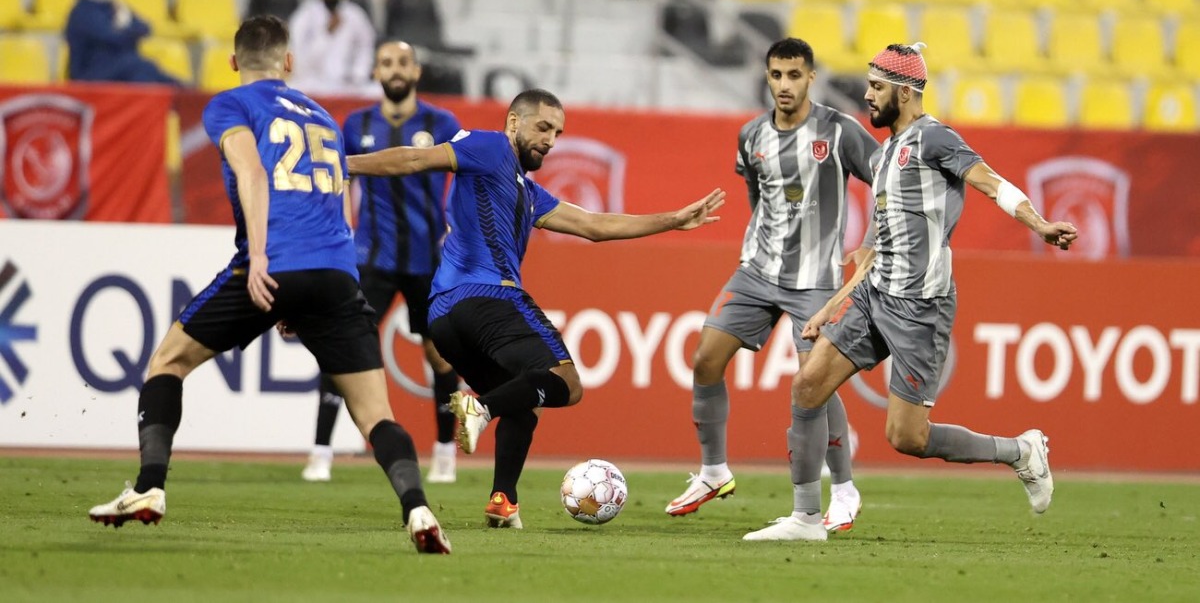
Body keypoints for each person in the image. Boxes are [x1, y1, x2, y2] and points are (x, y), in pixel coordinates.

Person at [87, 15, 451, 555]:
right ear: (289, 62)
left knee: (167, 363)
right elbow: (334, 199)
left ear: (233, 62)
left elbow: (253, 173)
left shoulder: (231, 105)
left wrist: (260, 259)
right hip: (336, 272)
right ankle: (418, 508)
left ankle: (148, 488)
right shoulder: (325, 117)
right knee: (377, 416)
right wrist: (305, 295)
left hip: (273, 263)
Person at [346, 88, 726, 529]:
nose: (550, 139)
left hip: (444, 314)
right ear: (513, 123)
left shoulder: (527, 191)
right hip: (488, 296)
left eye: (557, 132)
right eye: (542, 127)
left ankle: (503, 501)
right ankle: (479, 408)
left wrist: (674, 221)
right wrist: (345, 164)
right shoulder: (489, 148)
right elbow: (415, 160)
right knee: (566, 382)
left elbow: (594, 225)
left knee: (525, 397)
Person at [743, 43, 1077, 542]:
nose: (867, 95)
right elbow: (876, 249)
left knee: (907, 437)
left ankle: (1021, 451)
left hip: (921, 307)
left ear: (904, 92)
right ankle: (807, 519)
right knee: (808, 384)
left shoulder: (934, 139)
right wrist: (832, 307)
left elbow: (992, 184)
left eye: (876, 87)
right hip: (875, 294)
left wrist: (1041, 224)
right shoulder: (883, 158)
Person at [665, 38, 876, 534]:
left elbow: (887, 184)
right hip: (757, 271)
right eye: (776, 75)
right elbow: (757, 194)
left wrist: (868, 243)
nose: (784, 85)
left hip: (816, 281)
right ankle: (714, 472)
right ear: (767, 77)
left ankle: (844, 489)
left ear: (811, 77)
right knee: (704, 359)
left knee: (815, 384)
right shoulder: (750, 135)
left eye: (794, 75)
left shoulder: (839, 130)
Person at [302, 40, 462, 484]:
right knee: (342, 348)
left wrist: (457, 227)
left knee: (440, 355)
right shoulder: (355, 124)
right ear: (375, 72)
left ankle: (446, 451)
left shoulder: (442, 122)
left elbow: (466, 178)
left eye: (403, 63)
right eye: (387, 63)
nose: (395, 70)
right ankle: (320, 451)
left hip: (428, 259)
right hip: (372, 258)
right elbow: (333, 183)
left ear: (416, 71)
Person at [64, 0, 179, 85]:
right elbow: (112, 37)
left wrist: (125, 28)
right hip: (89, 75)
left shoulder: (115, 6)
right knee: (138, 67)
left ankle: (190, 94)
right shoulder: (82, 11)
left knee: (146, 73)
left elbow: (145, 27)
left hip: (120, 70)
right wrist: (128, 29)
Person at [288, 0, 376, 96]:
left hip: (347, 84)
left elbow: (365, 48)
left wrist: (358, 75)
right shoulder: (304, 16)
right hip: (311, 82)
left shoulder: (355, 14)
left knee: (377, 91)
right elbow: (299, 60)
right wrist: (326, 34)